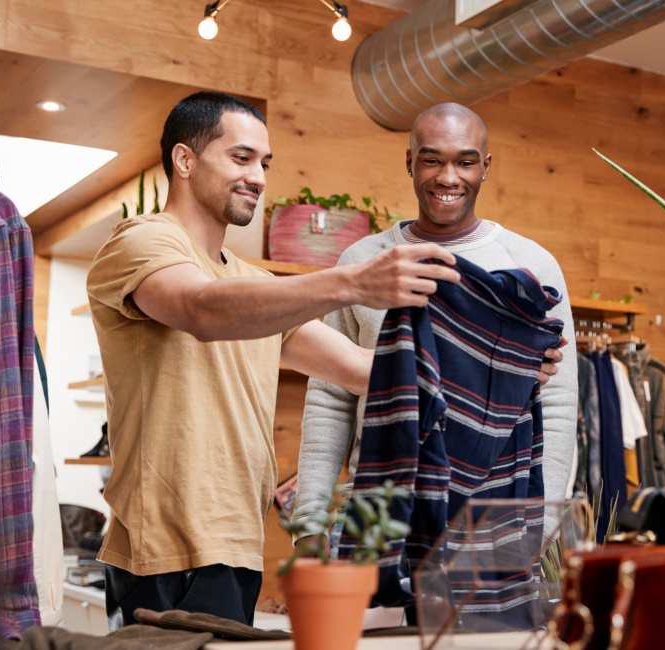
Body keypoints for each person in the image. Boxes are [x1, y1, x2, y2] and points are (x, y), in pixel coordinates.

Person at [85, 91, 464, 627]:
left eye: (264, 163)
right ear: (185, 160)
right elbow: (200, 307)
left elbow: (364, 371)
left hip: (237, 548)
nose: (259, 177)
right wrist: (350, 282)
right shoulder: (141, 242)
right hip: (162, 553)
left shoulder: (255, 288)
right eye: (241, 158)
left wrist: (500, 364)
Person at [293, 103, 578, 551]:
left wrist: (541, 526)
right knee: (368, 625)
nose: (449, 177)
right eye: (432, 160)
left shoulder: (531, 267)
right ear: (409, 162)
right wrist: (309, 521)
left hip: (492, 517)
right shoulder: (363, 264)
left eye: (465, 162)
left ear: (486, 167)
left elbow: (558, 401)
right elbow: (330, 397)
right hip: (376, 510)